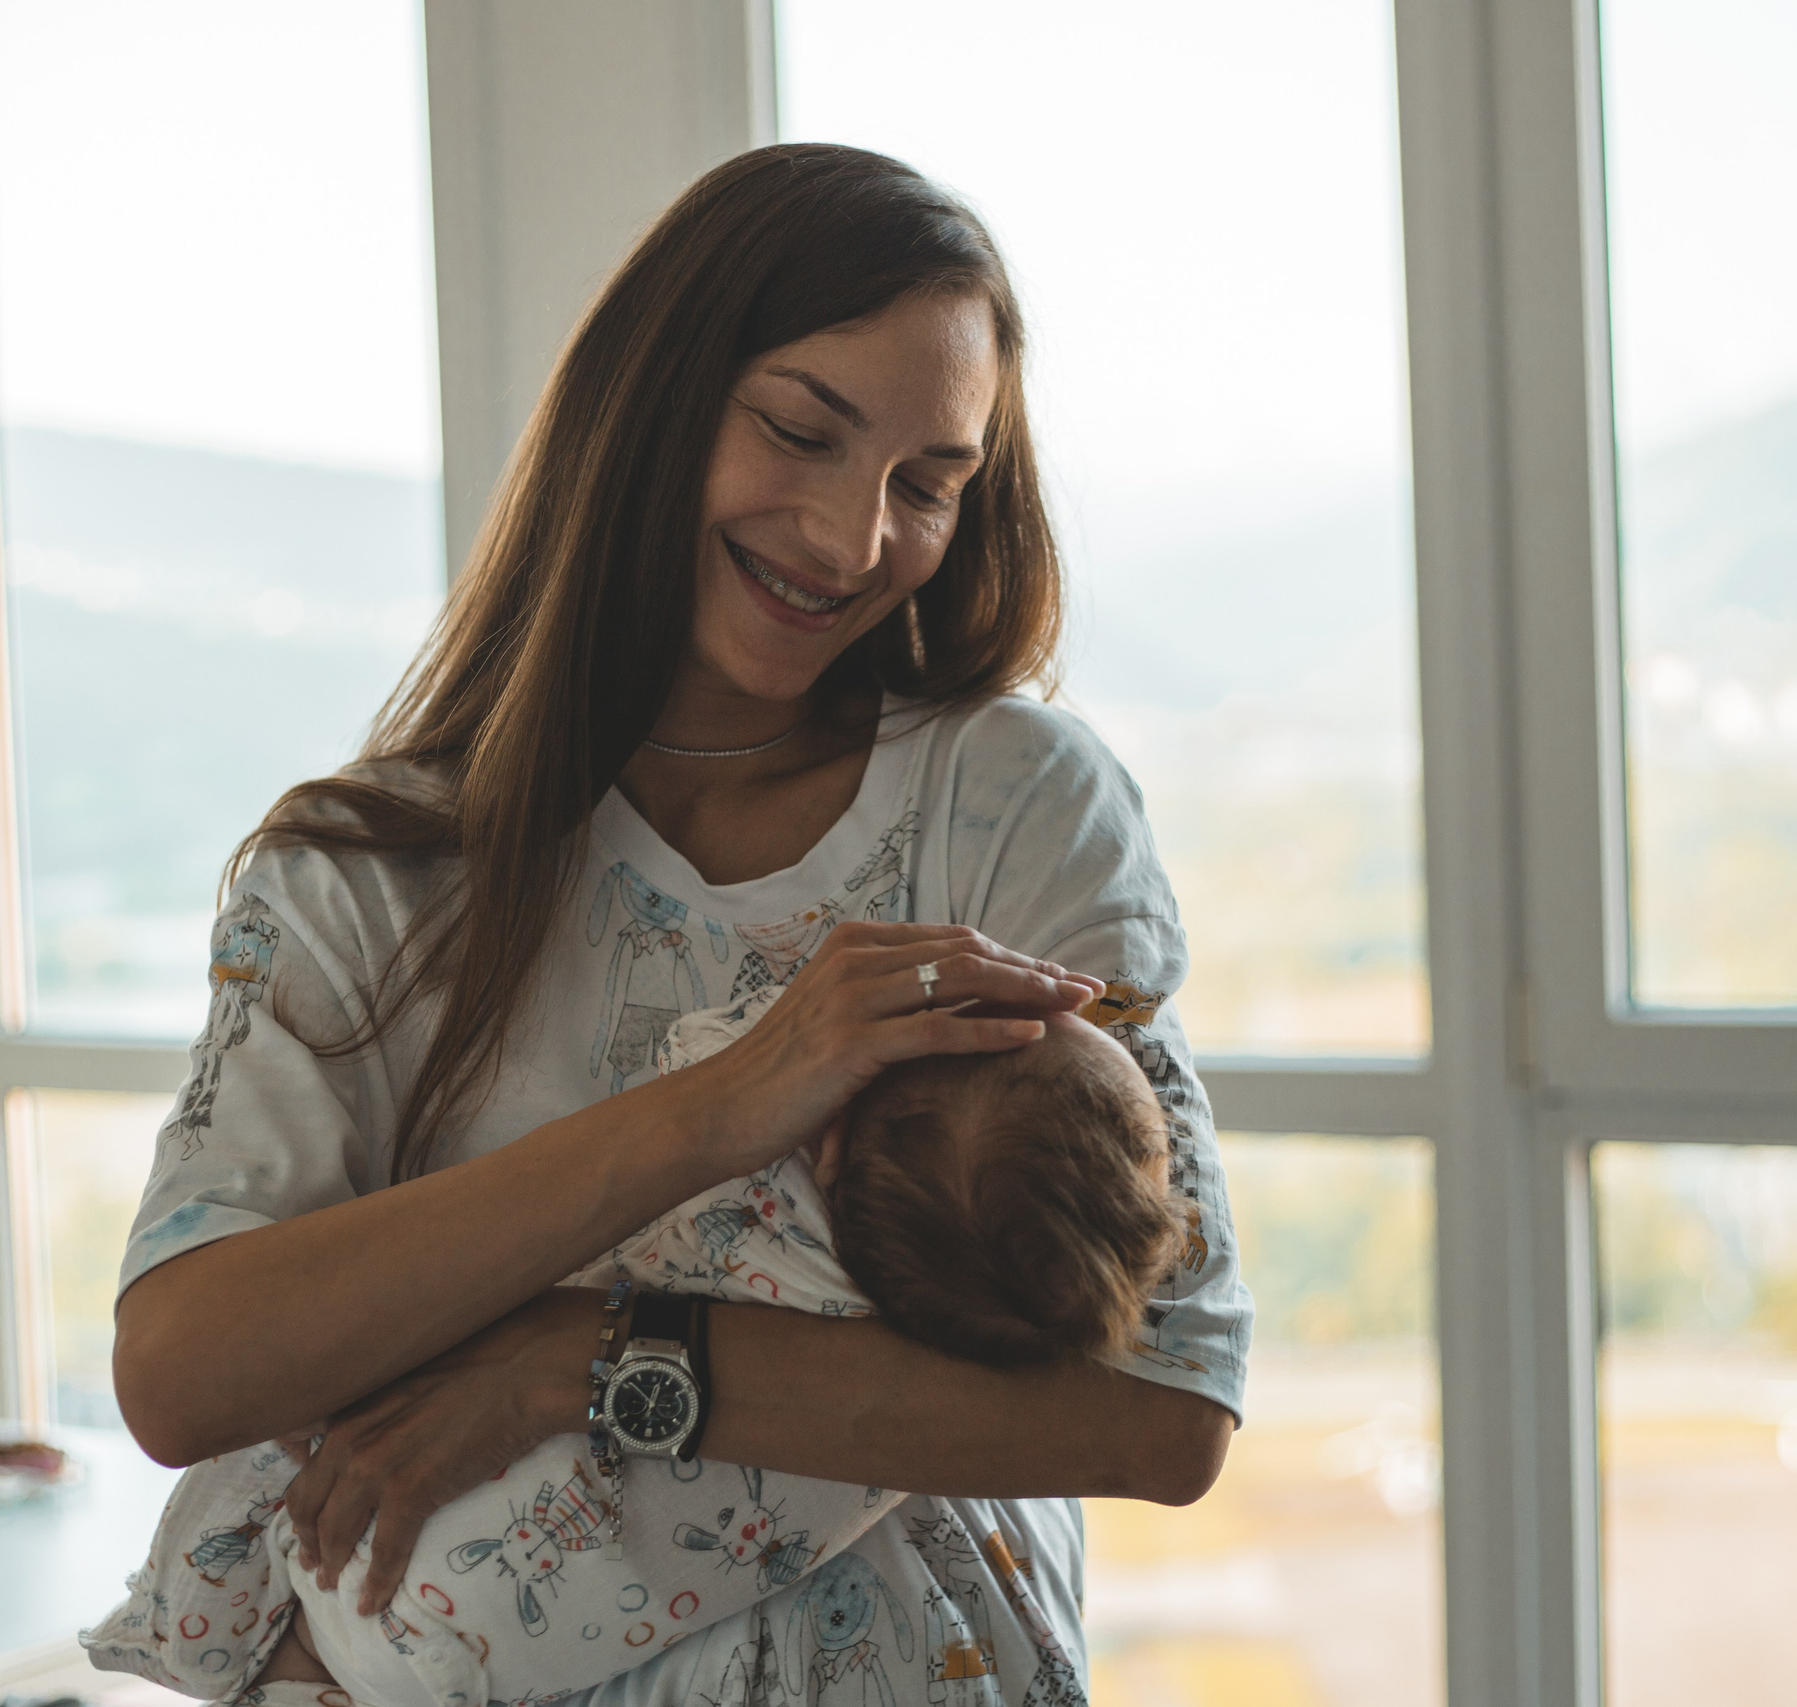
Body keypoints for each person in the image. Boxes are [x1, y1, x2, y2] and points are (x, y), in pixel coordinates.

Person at [109, 141, 1253, 1707]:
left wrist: (580, 1357)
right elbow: (183, 1371)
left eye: (927, 484)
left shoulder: (1013, 805)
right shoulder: (363, 871)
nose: (852, 539)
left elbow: (1164, 1403)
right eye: (800, 429)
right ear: (651, 399)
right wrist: (717, 1107)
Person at [91, 988, 1183, 1703]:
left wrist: (841, 1024)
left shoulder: (752, 1189)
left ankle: (218, 1631)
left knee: (319, 1431)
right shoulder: (932, 1347)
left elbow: (713, 1053)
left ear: (835, 1133)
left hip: (388, 1556)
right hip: (493, 1645)